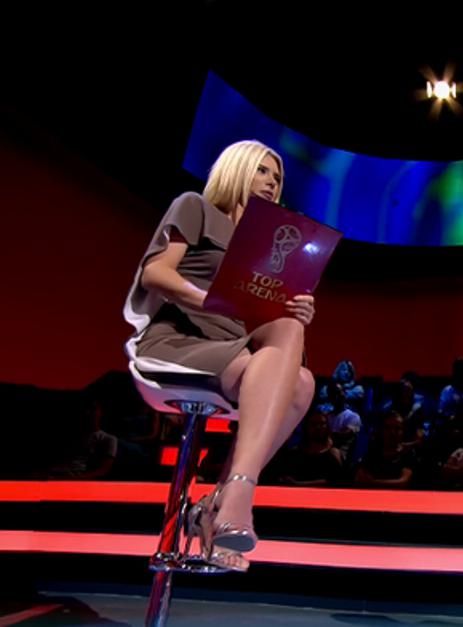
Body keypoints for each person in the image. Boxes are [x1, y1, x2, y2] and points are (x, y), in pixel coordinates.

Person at [124, 140, 316, 572]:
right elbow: (155, 273)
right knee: (291, 364)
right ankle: (233, 498)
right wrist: (213, 300)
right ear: (236, 168)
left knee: (302, 377)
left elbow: (265, 314)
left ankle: (221, 499)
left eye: (277, 177)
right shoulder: (196, 207)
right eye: (262, 171)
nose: (271, 182)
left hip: (235, 346)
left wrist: (296, 309)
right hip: (181, 339)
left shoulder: (268, 246)